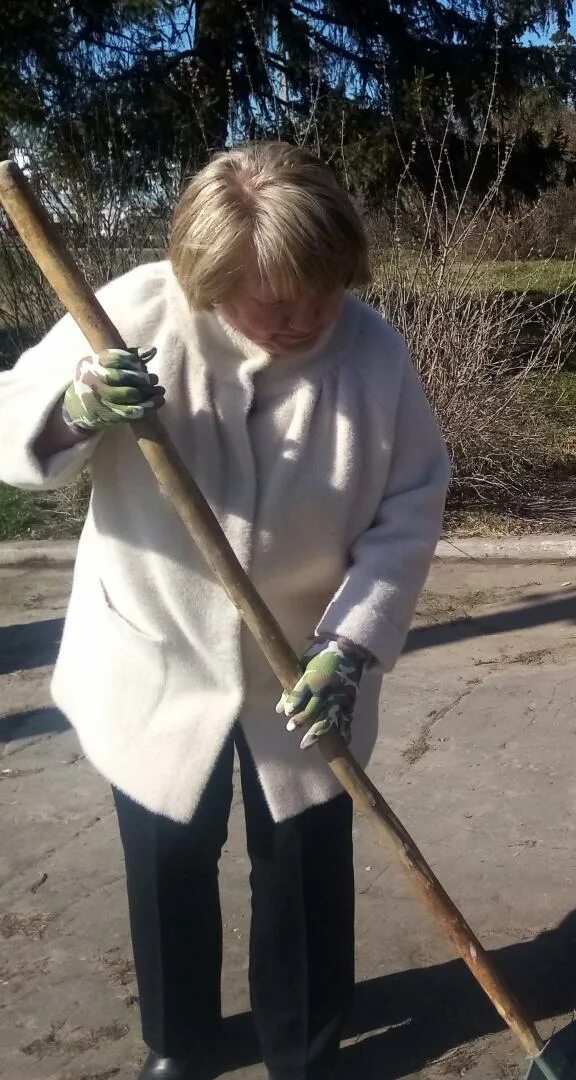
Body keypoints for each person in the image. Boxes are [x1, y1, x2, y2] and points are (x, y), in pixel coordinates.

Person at [0, 142, 451, 1080]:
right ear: (208, 277)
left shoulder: (373, 355)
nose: (298, 316)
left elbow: (411, 507)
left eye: (317, 290)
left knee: (302, 865)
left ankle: (305, 1044)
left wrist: (354, 643)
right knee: (167, 858)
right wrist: (81, 407)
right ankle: (182, 1042)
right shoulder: (137, 311)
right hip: (155, 653)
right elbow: (12, 419)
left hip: (308, 660)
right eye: (267, 296)